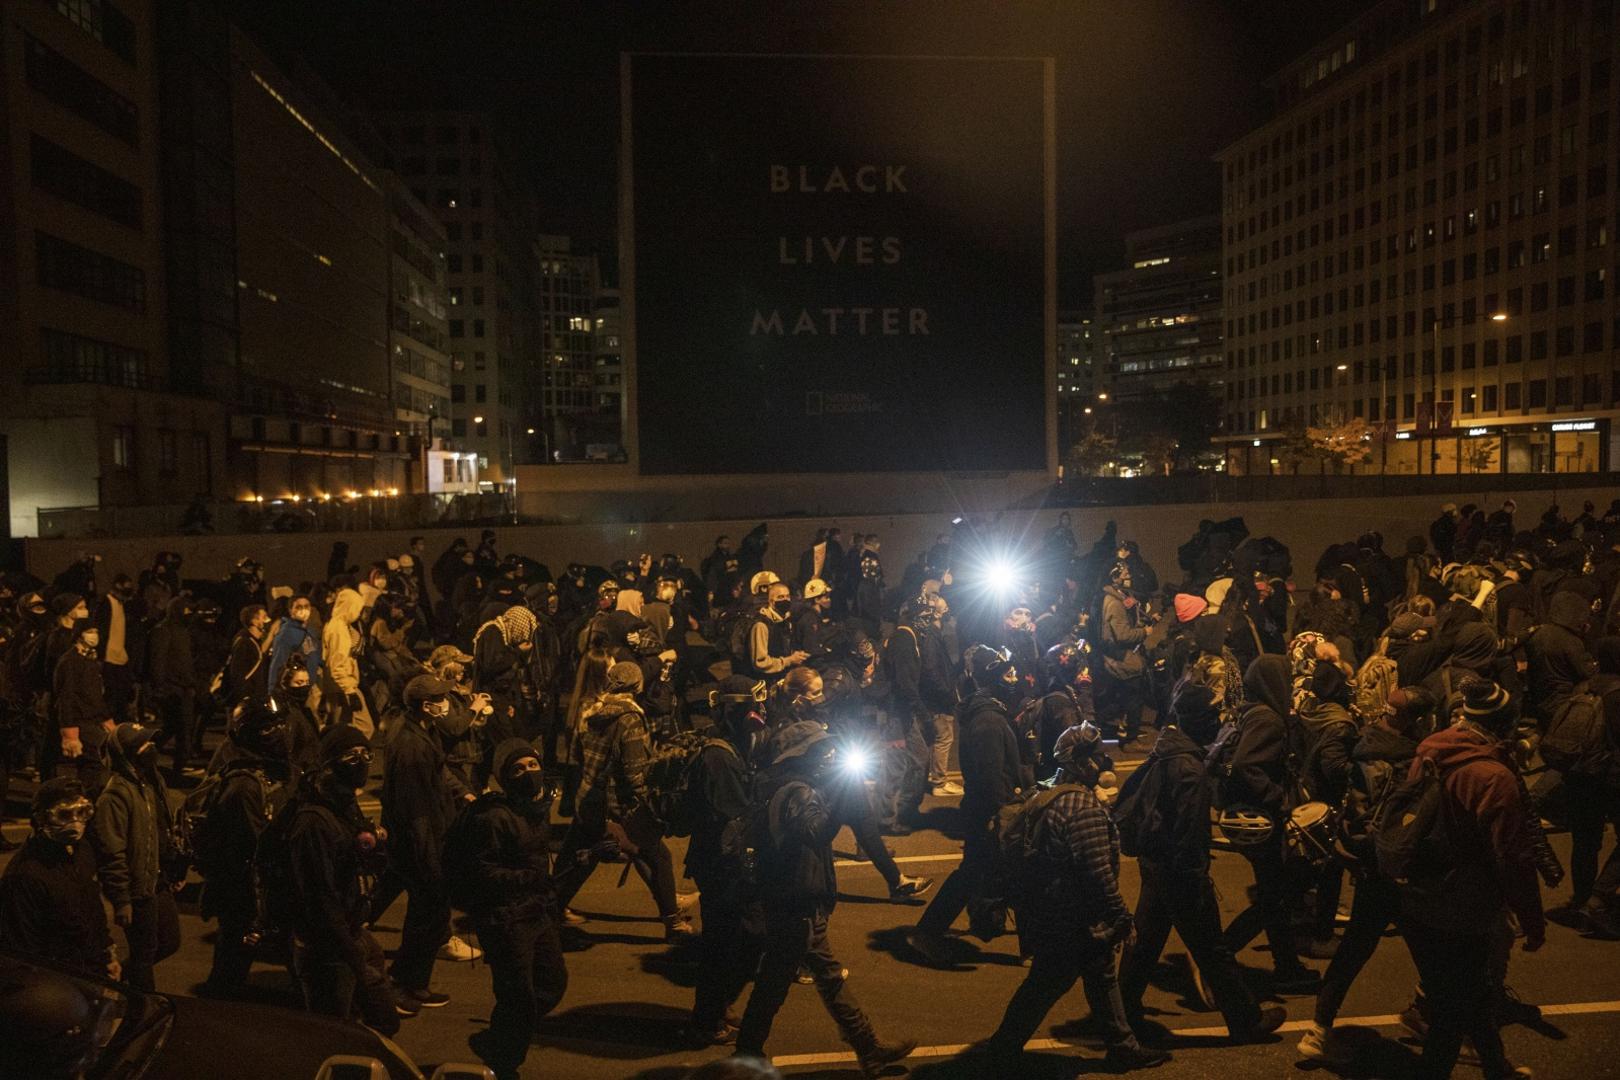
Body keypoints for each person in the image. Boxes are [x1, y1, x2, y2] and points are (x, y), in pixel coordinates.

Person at [975, 723, 1170, 1072]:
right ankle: (1002, 1049)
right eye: (1097, 756)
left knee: (1098, 974)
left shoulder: (1046, 793)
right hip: (1074, 917)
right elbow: (1097, 873)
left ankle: (1122, 1046)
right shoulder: (1080, 807)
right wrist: (1123, 918)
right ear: (1083, 763)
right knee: (1047, 982)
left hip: (1050, 910)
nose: (1103, 761)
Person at [733, 720, 916, 1075]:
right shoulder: (798, 792)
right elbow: (815, 832)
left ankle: (868, 1047)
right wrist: (843, 796)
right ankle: (747, 1055)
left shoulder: (781, 784)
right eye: (821, 750)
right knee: (775, 983)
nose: (828, 755)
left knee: (826, 976)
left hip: (790, 897)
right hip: (795, 901)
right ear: (803, 755)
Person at [1120, 685, 1284, 1043]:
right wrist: (1197, 879)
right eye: (1212, 716)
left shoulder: (1167, 748)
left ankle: (1121, 1012)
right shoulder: (1190, 769)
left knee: (1146, 941)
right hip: (1179, 871)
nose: (1219, 722)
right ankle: (1246, 1021)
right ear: (1196, 721)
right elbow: (1189, 833)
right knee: (1212, 949)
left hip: (1156, 862)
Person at [1399, 676, 1543, 1080]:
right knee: (1451, 1014)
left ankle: (1498, 1069)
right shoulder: (1493, 777)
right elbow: (1513, 858)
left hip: (1416, 895)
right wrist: (1532, 922)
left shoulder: (1430, 749)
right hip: (1462, 905)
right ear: (1505, 723)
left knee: (1472, 992)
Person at [1297, 685, 1428, 1066]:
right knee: (1436, 956)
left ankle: (1319, 1028)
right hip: (1401, 870)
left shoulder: (1364, 745)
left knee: (1353, 949)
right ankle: (1462, 1035)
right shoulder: (1411, 761)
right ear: (1418, 721)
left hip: (1368, 865)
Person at [459, 740, 573, 1080]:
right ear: (504, 778)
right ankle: (502, 1063)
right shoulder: (494, 817)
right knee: (516, 997)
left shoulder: (535, 808)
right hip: (505, 919)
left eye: (532, 765)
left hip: (536, 911)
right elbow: (484, 872)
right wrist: (529, 878)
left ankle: (501, 1039)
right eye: (518, 769)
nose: (529, 774)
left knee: (552, 983)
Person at [554, 662, 693, 940]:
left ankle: (550, 909)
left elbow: (578, 756)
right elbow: (633, 772)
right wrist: (649, 803)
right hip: (615, 805)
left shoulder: (590, 710)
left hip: (588, 795)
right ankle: (673, 921)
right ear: (637, 686)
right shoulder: (629, 718)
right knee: (656, 855)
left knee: (576, 857)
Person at [908, 645, 1027, 965]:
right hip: (990, 814)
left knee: (978, 875)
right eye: (1006, 672)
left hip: (985, 812)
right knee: (1008, 876)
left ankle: (947, 928)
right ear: (992, 679)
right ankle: (928, 933)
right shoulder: (988, 720)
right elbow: (991, 778)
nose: (1013, 676)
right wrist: (1003, 816)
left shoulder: (989, 712)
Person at [286, 726, 399, 1033]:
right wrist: (353, 957)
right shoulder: (314, 821)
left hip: (352, 932)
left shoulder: (344, 803)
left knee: (382, 1022)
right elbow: (319, 896)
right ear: (330, 764)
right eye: (351, 756)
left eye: (366, 754)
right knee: (333, 1032)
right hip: (327, 948)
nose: (362, 762)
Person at [1219, 654, 1316, 989]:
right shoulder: (1268, 720)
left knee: (1274, 897)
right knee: (1275, 896)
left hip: (1255, 816)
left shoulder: (1250, 711)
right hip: (1263, 819)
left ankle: (1286, 966)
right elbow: (1248, 765)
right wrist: (1280, 798)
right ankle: (1219, 954)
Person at [378, 674, 472, 1012]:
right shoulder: (410, 744)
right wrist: (429, 859)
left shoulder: (421, 729)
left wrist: (465, 793)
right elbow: (415, 809)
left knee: (430, 917)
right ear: (424, 704)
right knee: (426, 917)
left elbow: (440, 771)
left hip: (430, 833)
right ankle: (401, 985)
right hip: (420, 840)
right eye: (440, 698)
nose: (445, 703)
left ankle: (415, 983)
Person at [686, 676, 768, 1046]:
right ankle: (706, 1019)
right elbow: (734, 813)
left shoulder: (733, 746)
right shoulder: (718, 757)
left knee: (739, 938)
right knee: (725, 943)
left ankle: (717, 1006)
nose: (759, 713)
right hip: (720, 865)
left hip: (723, 862)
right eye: (752, 706)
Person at [196, 700, 298, 996]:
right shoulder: (243, 786)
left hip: (262, 886)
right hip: (242, 891)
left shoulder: (273, 769)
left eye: (280, 725)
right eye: (269, 727)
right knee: (232, 963)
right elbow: (255, 846)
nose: (279, 733)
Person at [0, 779, 119, 982]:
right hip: (58, 981)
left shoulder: (81, 851)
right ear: (41, 818)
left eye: (81, 813)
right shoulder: (25, 877)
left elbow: (92, 907)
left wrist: (107, 953)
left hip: (90, 970)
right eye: (64, 815)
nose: (75, 823)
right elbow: (21, 950)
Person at [91, 722, 180, 991]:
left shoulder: (152, 780)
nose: (151, 747)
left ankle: (116, 980)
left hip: (158, 879)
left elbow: (161, 831)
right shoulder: (116, 795)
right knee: (144, 953)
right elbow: (111, 853)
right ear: (128, 753)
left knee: (169, 942)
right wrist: (121, 900)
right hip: (137, 888)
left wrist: (174, 869)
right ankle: (142, 1009)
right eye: (143, 744)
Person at [53, 619, 113, 796]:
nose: (94, 636)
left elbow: (95, 696)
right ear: (79, 635)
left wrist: (106, 720)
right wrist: (70, 735)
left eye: (96, 631)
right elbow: (66, 698)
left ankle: (84, 802)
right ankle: (84, 802)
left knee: (93, 765)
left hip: (92, 720)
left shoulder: (89, 660)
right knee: (93, 764)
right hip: (81, 722)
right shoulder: (69, 662)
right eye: (90, 631)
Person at [146, 597, 201, 784]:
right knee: (180, 728)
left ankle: (150, 752)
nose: (189, 615)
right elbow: (157, 661)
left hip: (184, 688)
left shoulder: (183, 631)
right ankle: (178, 768)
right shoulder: (163, 630)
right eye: (186, 611)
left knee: (177, 728)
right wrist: (160, 687)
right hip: (172, 689)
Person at [1097, 563, 1151, 745]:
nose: (1129, 576)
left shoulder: (1116, 599)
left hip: (1118, 658)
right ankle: (1130, 739)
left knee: (1119, 697)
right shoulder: (1114, 603)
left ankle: (1106, 728)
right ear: (1114, 577)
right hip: (1122, 659)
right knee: (1133, 699)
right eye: (1126, 573)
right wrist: (1144, 632)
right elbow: (1122, 635)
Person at [320, 587, 372, 738]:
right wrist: (350, 691)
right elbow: (337, 664)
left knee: (339, 727)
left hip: (339, 685)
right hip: (344, 685)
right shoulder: (339, 629)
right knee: (364, 727)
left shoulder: (338, 624)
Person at [745, 582, 808, 682]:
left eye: (787, 596)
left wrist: (796, 656)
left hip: (782, 676)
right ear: (771, 602)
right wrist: (789, 661)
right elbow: (760, 663)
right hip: (766, 682)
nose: (785, 600)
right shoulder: (761, 625)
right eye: (780, 597)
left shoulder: (786, 620)